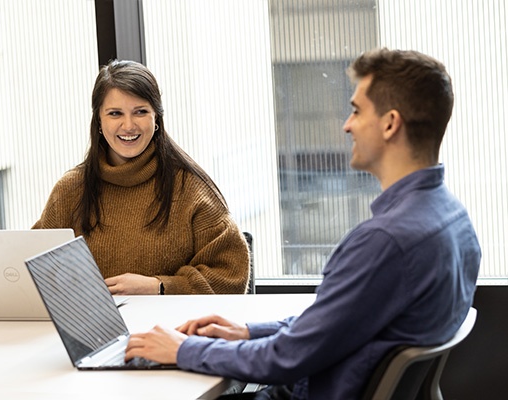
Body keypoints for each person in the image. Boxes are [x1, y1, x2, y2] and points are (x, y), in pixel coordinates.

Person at [124, 48, 481, 399]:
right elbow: (334, 325)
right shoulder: (454, 221)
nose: (347, 124)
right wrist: (247, 332)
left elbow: (286, 359)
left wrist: (181, 349)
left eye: (357, 110)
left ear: (390, 123)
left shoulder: (385, 241)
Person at [33, 60, 250, 295]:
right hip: (91, 329)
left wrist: (160, 287)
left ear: (156, 118)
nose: (128, 125)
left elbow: (230, 276)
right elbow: (31, 269)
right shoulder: (71, 190)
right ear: (98, 120)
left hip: (173, 328)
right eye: (115, 113)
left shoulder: (191, 189)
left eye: (140, 112)